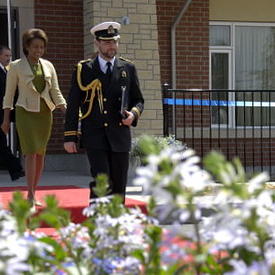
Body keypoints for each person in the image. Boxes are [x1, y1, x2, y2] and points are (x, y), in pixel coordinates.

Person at [64, 21, 144, 202]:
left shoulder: (128, 68)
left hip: (120, 135)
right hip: (94, 135)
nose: (112, 46)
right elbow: (74, 103)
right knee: (102, 182)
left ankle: (116, 226)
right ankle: (98, 224)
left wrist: (133, 114)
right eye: (107, 42)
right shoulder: (84, 69)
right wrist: (70, 136)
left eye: (115, 41)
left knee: (118, 186)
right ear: (97, 43)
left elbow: (138, 100)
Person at [1, 29, 66, 209]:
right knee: (30, 152)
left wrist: (65, 108)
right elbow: (8, 95)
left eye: (42, 47)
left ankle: (34, 192)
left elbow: (55, 91)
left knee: (40, 154)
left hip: (45, 113)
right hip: (25, 113)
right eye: (35, 47)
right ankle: (29, 194)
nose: (39, 50)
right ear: (27, 47)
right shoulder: (15, 66)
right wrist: (6, 120)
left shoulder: (49, 66)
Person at [0, 45, 24, 181]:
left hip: (7, 111)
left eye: (10, 56)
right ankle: (16, 169)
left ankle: (16, 170)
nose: (9, 58)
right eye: (6, 56)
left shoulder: (7, 71)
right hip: (2, 112)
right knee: (2, 144)